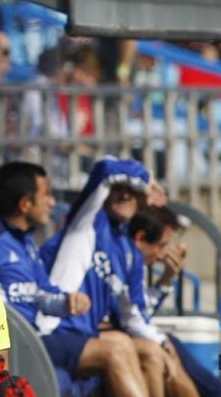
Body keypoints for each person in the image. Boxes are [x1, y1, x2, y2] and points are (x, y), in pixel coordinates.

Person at [38, 157, 163, 395]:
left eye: (132, 191)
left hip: (86, 335)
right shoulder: (87, 224)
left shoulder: (128, 251)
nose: (125, 195)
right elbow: (105, 168)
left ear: (141, 202)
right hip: (56, 328)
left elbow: (135, 314)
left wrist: (164, 285)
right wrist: (146, 177)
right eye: (119, 188)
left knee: (154, 351)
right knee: (119, 348)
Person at [0, 162, 98, 395]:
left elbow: (42, 293)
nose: (52, 202)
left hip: (37, 337)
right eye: (46, 194)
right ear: (25, 204)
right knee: (117, 351)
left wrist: (66, 302)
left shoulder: (27, 242)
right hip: (18, 344)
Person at [128, 207, 221, 397]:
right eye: (162, 246)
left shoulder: (134, 263)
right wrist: (161, 343)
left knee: (170, 348)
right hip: (106, 339)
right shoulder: (123, 260)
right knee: (163, 351)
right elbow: (131, 318)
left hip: (127, 335)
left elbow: (138, 312)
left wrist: (167, 278)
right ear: (140, 238)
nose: (163, 254)